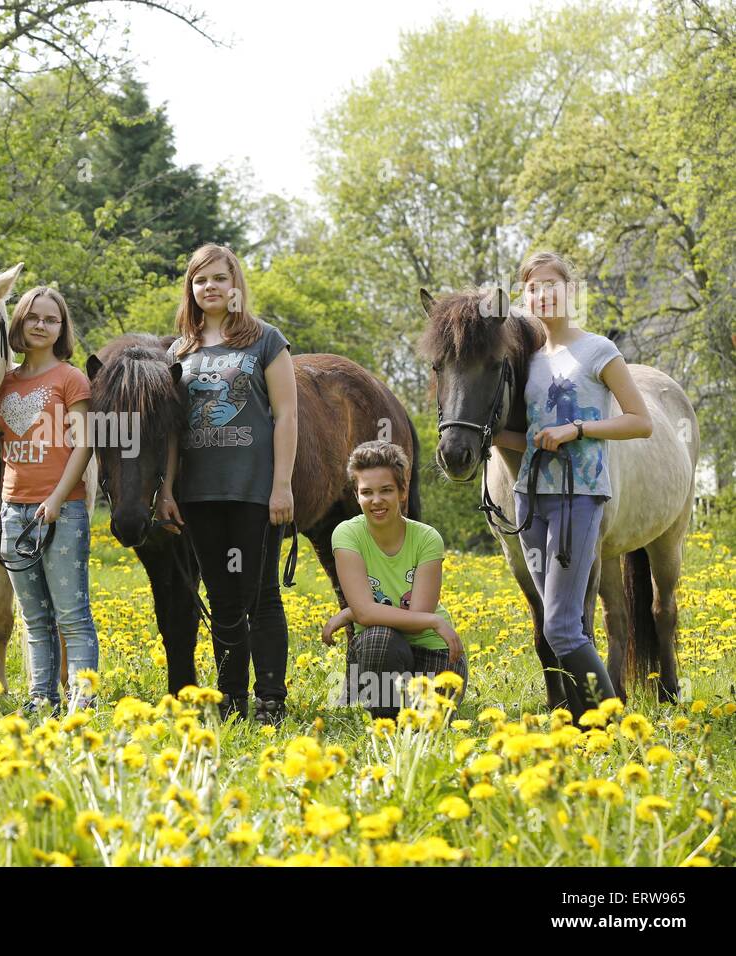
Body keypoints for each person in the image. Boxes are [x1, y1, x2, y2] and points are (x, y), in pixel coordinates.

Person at [490, 251, 652, 717]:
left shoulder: (598, 350)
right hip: (530, 500)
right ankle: (585, 725)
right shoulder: (528, 360)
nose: (541, 294)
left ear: (570, 291)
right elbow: (534, 435)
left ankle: (608, 722)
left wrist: (578, 429)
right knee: (560, 622)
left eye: (550, 284)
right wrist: (485, 433)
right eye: (532, 287)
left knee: (561, 627)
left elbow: (640, 422)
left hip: (578, 497)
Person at [157, 244, 297, 725]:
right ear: (190, 289)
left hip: (254, 492)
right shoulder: (180, 350)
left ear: (235, 285)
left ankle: (271, 699)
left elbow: (286, 416)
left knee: (260, 596)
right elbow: (173, 430)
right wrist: (168, 489)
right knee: (221, 598)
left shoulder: (265, 340)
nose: (210, 287)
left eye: (219, 278)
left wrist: (282, 486)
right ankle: (232, 698)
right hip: (200, 496)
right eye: (200, 280)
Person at [0, 285, 99, 717]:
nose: (41, 325)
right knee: (34, 618)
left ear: (61, 328)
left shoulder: (71, 379)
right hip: (13, 509)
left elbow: (85, 444)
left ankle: (82, 700)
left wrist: (56, 498)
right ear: (19, 321)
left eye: (50, 319)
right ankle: (41, 698)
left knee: (72, 614)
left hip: (62, 510)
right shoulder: (5, 383)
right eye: (33, 317)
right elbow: (9, 449)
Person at [323, 441, 467, 718]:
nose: (376, 500)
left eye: (386, 490)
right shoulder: (347, 535)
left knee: (427, 725)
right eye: (367, 492)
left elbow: (416, 620)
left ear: (402, 491)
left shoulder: (426, 538)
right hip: (380, 650)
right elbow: (368, 614)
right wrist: (435, 621)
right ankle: (384, 719)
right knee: (378, 638)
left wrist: (355, 612)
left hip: (433, 651)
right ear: (357, 495)